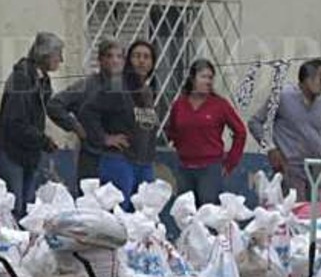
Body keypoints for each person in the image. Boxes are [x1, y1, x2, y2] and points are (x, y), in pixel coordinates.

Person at [0, 32, 68, 216]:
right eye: (58, 55)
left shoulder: (42, 80)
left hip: (29, 152)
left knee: (28, 208)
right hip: (12, 152)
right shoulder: (22, 79)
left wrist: (71, 123)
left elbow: (50, 106)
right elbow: (16, 123)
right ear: (45, 55)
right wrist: (42, 140)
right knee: (12, 207)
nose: (61, 60)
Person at [79, 39, 159, 202]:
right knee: (118, 212)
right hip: (120, 161)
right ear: (128, 60)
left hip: (144, 162)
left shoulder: (147, 91)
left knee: (143, 215)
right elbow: (87, 111)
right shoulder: (117, 86)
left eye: (146, 57)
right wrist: (104, 137)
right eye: (137, 56)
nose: (142, 61)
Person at [164, 58, 247, 206]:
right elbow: (172, 131)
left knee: (208, 215)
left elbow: (240, 132)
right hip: (184, 168)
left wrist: (230, 163)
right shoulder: (179, 104)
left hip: (210, 168)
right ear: (192, 79)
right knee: (185, 213)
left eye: (210, 78)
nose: (208, 81)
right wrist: (180, 147)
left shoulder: (220, 105)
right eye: (203, 77)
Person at [255, 58, 321, 200]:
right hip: (291, 168)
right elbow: (255, 122)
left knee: (316, 216)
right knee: (295, 215)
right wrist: (271, 148)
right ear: (308, 79)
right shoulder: (282, 96)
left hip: (317, 169)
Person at [49, 39, 123, 188]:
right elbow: (54, 104)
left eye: (119, 56)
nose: (114, 61)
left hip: (122, 159)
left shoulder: (127, 88)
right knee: (89, 206)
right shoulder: (87, 86)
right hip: (93, 158)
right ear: (100, 60)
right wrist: (75, 126)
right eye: (109, 56)